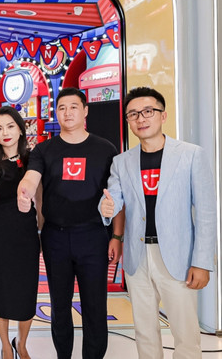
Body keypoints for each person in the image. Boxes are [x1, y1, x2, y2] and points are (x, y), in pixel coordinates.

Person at [99, 87, 216, 358]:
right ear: (128, 121)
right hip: (137, 256)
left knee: (186, 333)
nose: (141, 118)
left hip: (179, 257)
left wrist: (202, 262)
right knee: (144, 330)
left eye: (148, 111)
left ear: (163, 115)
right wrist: (106, 207)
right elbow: (112, 197)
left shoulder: (191, 155)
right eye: (133, 114)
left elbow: (206, 213)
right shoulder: (121, 162)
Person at [17, 87, 124, 359]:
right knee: (60, 305)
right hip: (56, 237)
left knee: (95, 306)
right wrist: (24, 191)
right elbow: (31, 177)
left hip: (93, 236)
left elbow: (117, 194)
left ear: (85, 111)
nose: (67, 113)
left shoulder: (105, 149)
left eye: (74, 107)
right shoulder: (44, 150)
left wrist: (117, 236)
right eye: (62, 108)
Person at [0, 107, 40, 359]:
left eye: (10, 126)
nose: (5, 132)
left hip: (26, 231)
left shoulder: (33, 158)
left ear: (20, 129)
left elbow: (40, 196)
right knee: (1, 290)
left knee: (27, 289)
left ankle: (21, 343)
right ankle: (6, 345)